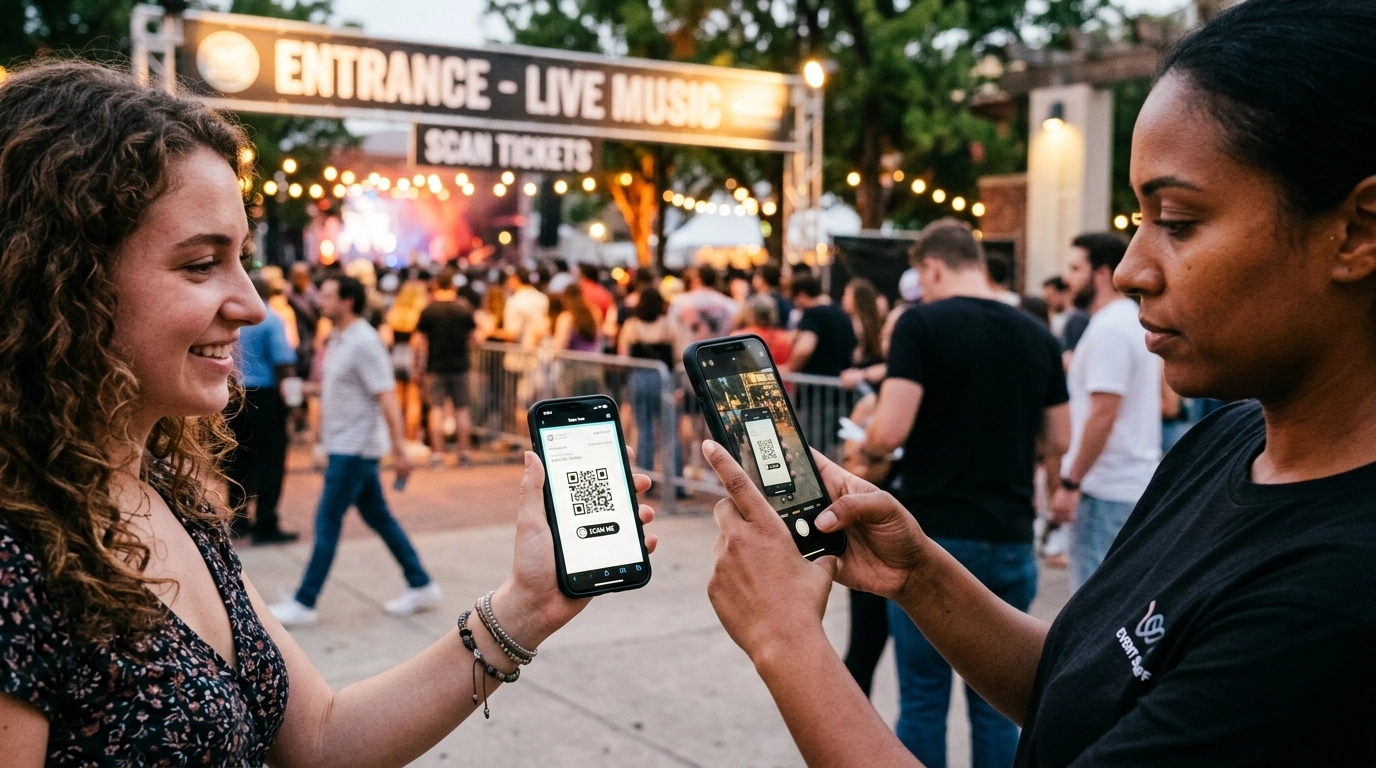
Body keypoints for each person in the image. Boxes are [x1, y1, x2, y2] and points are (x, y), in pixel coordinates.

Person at [701, 2, 1376, 765]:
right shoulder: (1229, 438)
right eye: (1137, 217)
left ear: (1355, 230)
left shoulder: (1337, 594)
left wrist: (785, 642)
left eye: (1178, 220)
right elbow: (1083, 687)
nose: (1129, 269)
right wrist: (919, 573)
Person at [0, 59, 658, 767]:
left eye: (242, 259)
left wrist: (527, 606)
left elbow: (319, 739)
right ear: (58, 279)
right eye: (200, 264)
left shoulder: (169, 492)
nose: (251, 305)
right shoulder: (14, 555)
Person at [841, 219, 1069, 766]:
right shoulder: (1039, 335)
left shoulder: (922, 325)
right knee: (996, 707)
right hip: (1010, 535)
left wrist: (867, 445)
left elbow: (891, 429)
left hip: (932, 537)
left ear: (933, 267)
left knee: (923, 697)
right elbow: (1060, 437)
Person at [270, 275, 440, 625]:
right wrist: (309, 388)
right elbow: (346, 388)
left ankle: (305, 601)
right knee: (379, 518)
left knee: (327, 520)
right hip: (346, 445)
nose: (321, 300)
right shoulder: (340, 339)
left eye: (329, 295)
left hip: (355, 448)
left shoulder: (364, 341)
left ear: (348, 301)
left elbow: (387, 395)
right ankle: (420, 582)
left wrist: (400, 450)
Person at [1050, 233, 1162, 592]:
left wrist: (1070, 482)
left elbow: (1103, 414)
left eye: (1075, 268)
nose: (1067, 279)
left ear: (1100, 273)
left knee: (1092, 604)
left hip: (1106, 489)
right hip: (1124, 484)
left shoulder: (1110, 329)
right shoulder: (1128, 321)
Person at [226, 272, 300, 545]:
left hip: (234, 395)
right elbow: (284, 363)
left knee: (237, 459)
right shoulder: (270, 319)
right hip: (265, 396)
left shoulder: (234, 318)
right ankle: (266, 521)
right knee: (271, 460)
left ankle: (238, 519)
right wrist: (292, 404)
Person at [416, 267, 477, 467]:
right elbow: (474, 337)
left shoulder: (429, 310)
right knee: (462, 409)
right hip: (460, 365)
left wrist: (419, 365)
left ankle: (437, 455)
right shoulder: (463, 309)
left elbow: (419, 341)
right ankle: (465, 453)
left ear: (435, 285)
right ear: (452, 285)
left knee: (436, 410)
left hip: (435, 366)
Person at [618, 286, 681, 477]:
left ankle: (646, 476)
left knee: (643, 428)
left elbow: (623, 357)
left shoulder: (631, 325)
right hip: (664, 379)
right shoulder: (668, 324)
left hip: (639, 378)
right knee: (669, 430)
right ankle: (675, 480)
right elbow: (678, 354)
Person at [786, 272, 856, 376]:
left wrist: (788, 369)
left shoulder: (813, 314)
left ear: (802, 295)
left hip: (815, 382)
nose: (795, 304)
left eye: (794, 298)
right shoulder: (840, 312)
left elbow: (804, 349)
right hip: (840, 383)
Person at [553, 282, 602, 352]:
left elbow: (560, 346)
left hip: (572, 361)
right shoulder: (595, 313)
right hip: (591, 359)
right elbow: (598, 338)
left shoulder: (567, 317)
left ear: (565, 298)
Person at [752, 263, 795, 330]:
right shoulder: (784, 300)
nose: (754, 279)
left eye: (757, 276)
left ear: (763, 279)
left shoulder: (759, 302)